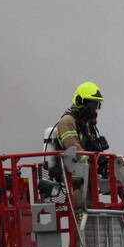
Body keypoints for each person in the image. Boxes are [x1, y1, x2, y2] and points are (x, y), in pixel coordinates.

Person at [43, 82, 110, 211]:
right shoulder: (67, 121)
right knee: (82, 209)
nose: (94, 109)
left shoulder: (86, 124)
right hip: (72, 175)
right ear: (80, 101)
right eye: (92, 104)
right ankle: (80, 225)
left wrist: (103, 159)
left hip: (86, 173)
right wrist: (97, 163)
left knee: (93, 207)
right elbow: (75, 151)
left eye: (97, 105)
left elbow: (91, 148)